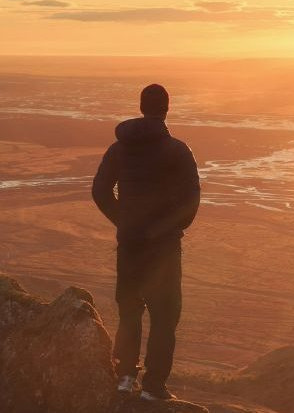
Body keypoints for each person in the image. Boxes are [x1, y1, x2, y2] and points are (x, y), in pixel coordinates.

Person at [92, 84, 201, 401]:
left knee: (129, 310)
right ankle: (153, 387)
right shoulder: (178, 150)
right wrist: (169, 229)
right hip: (164, 249)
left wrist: (124, 222)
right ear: (167, 109)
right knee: (165, 316)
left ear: (141, 108)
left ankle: (125, 376)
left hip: (129, 246)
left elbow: (100, 191)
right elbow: (191, 201)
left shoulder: (119, 148)